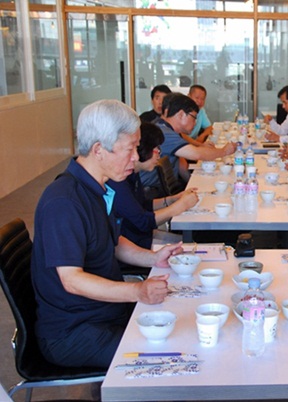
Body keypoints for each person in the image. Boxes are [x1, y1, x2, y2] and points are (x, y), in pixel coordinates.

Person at [31, 99, 183, 368]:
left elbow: (112, 242)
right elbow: (72, 281)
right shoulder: (64, 201)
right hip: (75, 330)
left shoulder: (98, 189)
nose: (136, 157)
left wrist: (153, 258)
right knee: (167, 358)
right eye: (130, 149)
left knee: (181, 325)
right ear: (99, 150)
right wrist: (137, 291)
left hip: (104, 313)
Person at [108, 122, 199, 250]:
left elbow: (143, 205)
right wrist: (180, 206)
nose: (159, 154)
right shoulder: (118, 180)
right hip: (134, 244)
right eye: (156, 149)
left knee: (193, 242)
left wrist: (172, 199)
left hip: (141, 236)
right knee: (190, 246)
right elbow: (143, 222)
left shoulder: (133, 175)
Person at [140, 93, 236, 190]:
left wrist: (192, 184)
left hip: (167, 187)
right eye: (194, 118)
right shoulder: (164, 132)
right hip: (153, 191)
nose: (195, 123)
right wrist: (225, 151)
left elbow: (182, 165)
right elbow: (196, 154)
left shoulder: (166, 128)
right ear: (181, 115)